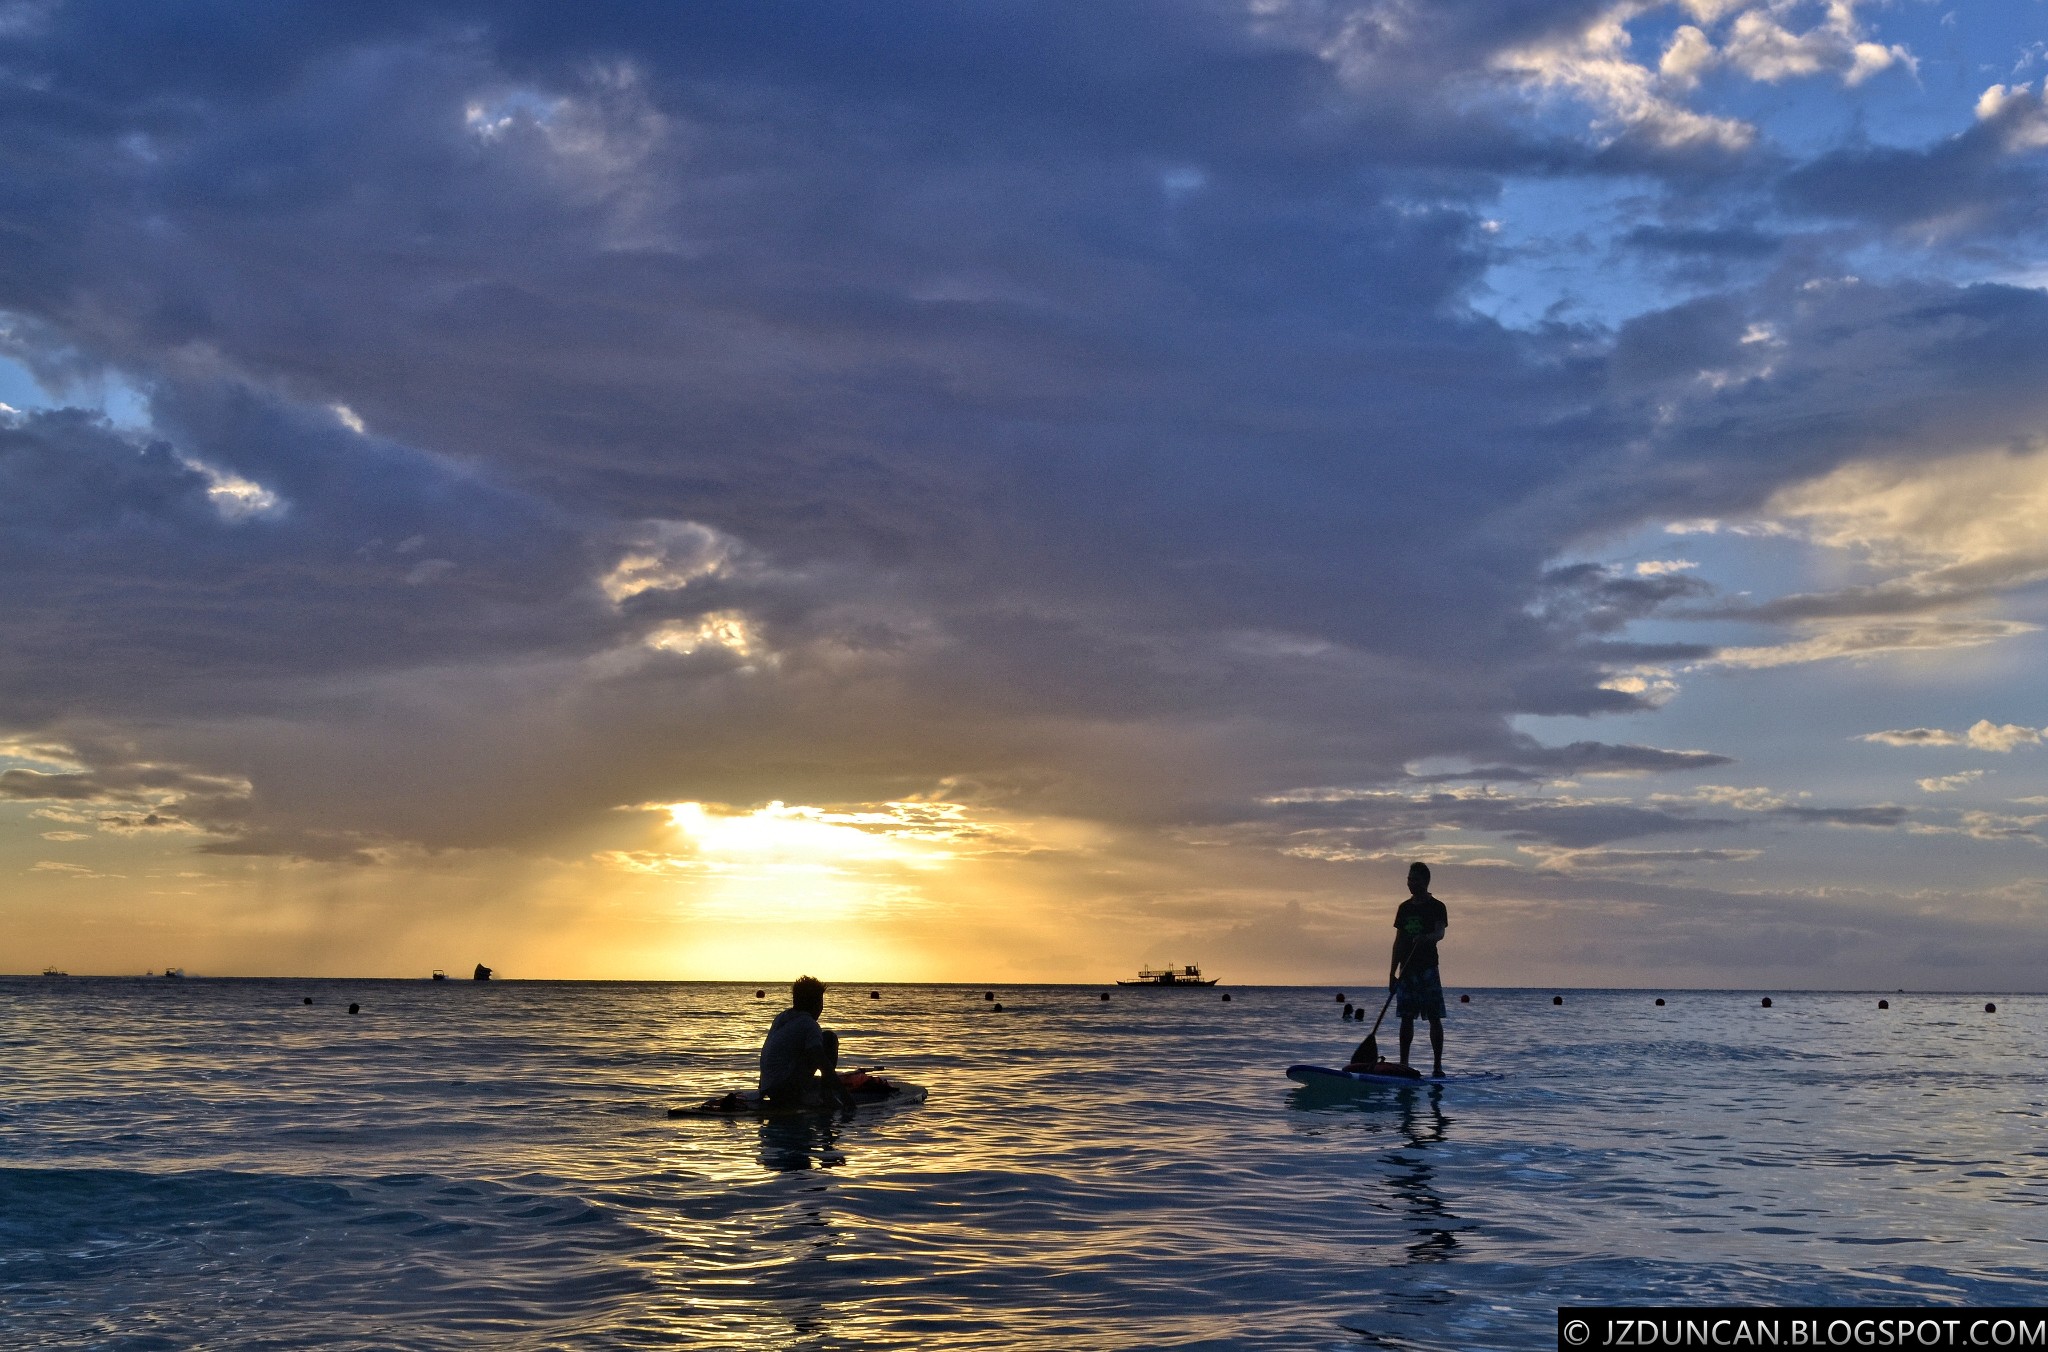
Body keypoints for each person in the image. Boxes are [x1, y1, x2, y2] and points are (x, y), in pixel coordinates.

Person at [1390, 860, 1448, 1077]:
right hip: (1406, 970)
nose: (1409, 883)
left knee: (1434, 1017)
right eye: (1408, 879)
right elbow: (1398, 941)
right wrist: (1392, 973)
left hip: (1428, 969)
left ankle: (1437, 1066)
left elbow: (1440, 933)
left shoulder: (1437, 906)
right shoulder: (1404, 908)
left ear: (1424, 881)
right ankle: (1404, 1064)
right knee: (1406, 1018)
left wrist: (1426, 938)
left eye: (1413, 879)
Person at [759, 975, 853, 1111]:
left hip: (768, 1088)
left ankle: (815, 1091)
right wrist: (846, 1098)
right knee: (829, 1038)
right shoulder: (809, 1024)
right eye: (821, 1002)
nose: (822, 1008)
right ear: (815, 1003)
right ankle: (827, 1096)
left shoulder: (781, 1018)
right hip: (785, 1092)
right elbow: (822, 1062)